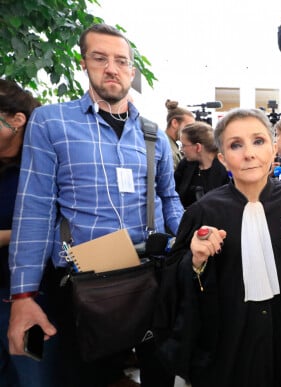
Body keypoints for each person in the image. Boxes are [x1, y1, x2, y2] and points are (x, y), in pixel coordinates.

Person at [7, 24, 184, 387]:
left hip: (148, 274)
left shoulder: (152, 135)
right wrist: (23, 294)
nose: (111, 68)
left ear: (131, 72)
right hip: (83, 282)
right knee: (88, 376)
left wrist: (189, 245)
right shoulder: (52, 122)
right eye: (100, 58)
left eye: (121, 61)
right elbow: (34, 208)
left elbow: (170, 199)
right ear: (84, 63)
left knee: (160, 370)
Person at [155, 108, 281, 387]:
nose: (249, 154)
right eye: (236, 145)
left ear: (273, 150)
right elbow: (174, 287)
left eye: (258, 141)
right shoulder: (203, 211)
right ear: (223, 158)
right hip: (229, 339)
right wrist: (195, 260)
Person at [0, 79, 56, 387]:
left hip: (32, 292)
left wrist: (9, 235)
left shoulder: (41, 166)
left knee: (33, 374)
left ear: (17, 120)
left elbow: (53, 225)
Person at [174, 121, 230, 208]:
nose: (181, 149)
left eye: (184, 145)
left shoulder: (225, 168)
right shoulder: (185, 165)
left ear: (198, 147)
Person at [164, 99, 196, 170]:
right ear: (175, 123)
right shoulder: (165, 146)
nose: (190, 132)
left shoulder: (172, 145)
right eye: (188, 127)